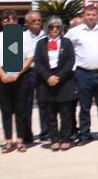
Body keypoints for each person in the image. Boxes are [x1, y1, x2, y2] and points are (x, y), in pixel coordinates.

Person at [65, 3, 98, 144]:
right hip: (83, 74)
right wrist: (73, 66)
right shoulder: (76, 31)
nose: (91, 17)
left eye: (93, 15)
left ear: (97, 16)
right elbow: (66, 46)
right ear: (84, 16)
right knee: (84, 107)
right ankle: (84, 135)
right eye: (88, 15)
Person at [35, 17, 77, 151]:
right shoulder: (41, 43)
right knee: (50, 113)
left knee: (66, 112)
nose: (54, 30)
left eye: (57, 27)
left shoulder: (66, 42)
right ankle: (54, 138)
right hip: (46, 81)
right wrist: (48, 77)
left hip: (63, 80)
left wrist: (58, 77)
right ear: (47, 28)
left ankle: (65, 138)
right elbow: (38, 62)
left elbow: (71, 61)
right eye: (51, 27)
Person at [0, 11, 30, 153]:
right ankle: (8, 140)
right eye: (7, 20)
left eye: (13, 19)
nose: (10, 22)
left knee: (20, 110)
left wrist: (18, 73)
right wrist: (3, 75)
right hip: (3, 77)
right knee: (6, 111)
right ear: (2, 22)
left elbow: (30, 57)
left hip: (21, 76)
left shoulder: (24, 37)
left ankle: (20, 140)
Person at [21, 11, 46, 143]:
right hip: (27, 72)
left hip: (43, 73)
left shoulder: (46, 35)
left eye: (39, 20)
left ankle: (45, 132)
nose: (37, 22)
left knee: (44, 102)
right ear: (27, 23)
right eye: (33, 20)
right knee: (27, 104)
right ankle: (26, 134)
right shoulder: (21, 36)